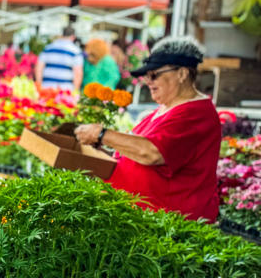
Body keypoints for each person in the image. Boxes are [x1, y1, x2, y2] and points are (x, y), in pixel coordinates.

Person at [73, 36, 220, 222]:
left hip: (168, 222)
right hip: (141, 216)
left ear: (182, 74)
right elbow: (135, 152)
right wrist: (102, 148)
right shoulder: (164, 110)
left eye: (154, 75)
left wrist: (102, 134)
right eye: (146, 76)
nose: (148, 81)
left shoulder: (196, 113)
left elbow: (152, 152)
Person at [35, 25, 84, 95]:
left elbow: (39, 68)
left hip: (46, 88)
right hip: (65, 90)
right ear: (73, 37)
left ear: (62, 35)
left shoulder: (48, 48)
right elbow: (78, 74)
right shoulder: (76, 51)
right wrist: (75, 91)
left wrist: (39, 85)